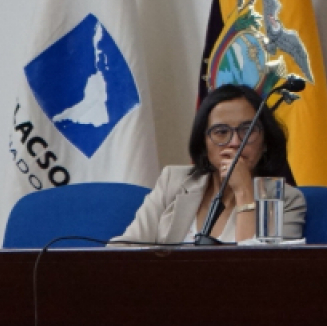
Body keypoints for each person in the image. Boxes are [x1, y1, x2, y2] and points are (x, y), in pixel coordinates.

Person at [115, 84, 306, 244]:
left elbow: (261, 268)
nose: (235, 142)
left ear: (265, 143)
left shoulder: (285, 201)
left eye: (247, 130)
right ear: (204, 144)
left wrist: (244, 192)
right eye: (221, 132)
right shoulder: (172, 181)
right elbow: (123, 251)